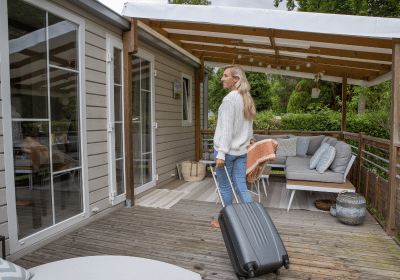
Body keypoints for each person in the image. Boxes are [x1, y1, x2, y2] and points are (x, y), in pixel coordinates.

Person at [211, 65, 256, 229]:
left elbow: (227, 129)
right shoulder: (246, 98)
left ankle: (227, 223)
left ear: (235, 79)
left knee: (224, 187)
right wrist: (249, 141)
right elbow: (249, 128)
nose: (222, 78)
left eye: (225, 75)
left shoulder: (230, 99)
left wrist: (221, 153)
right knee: (241, 186)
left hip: (227, 152)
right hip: (241, 152)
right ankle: (253, 220)